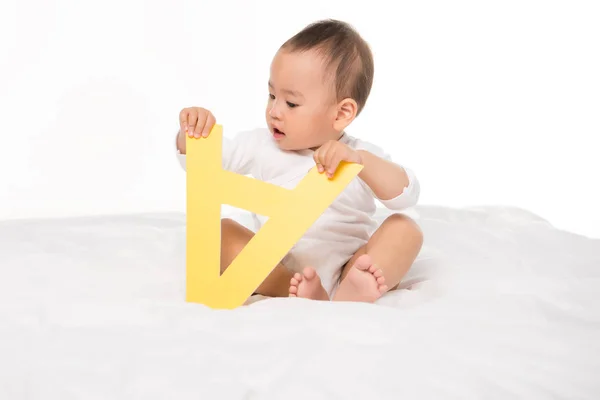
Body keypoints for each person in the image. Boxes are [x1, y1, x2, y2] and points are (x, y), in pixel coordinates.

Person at [175, 19, 423, 303]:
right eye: (271, 95)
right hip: (275, 267)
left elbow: (406, 194)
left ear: (341, 113)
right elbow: (203, 166)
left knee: (405, 228)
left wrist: (361, 162)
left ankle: (352, 290)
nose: (274, 111)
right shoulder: (261, 145)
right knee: (223, 233)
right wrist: (192, 133)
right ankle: (293, 291)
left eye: (291, 103)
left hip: (349, 266)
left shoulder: (359, 154)